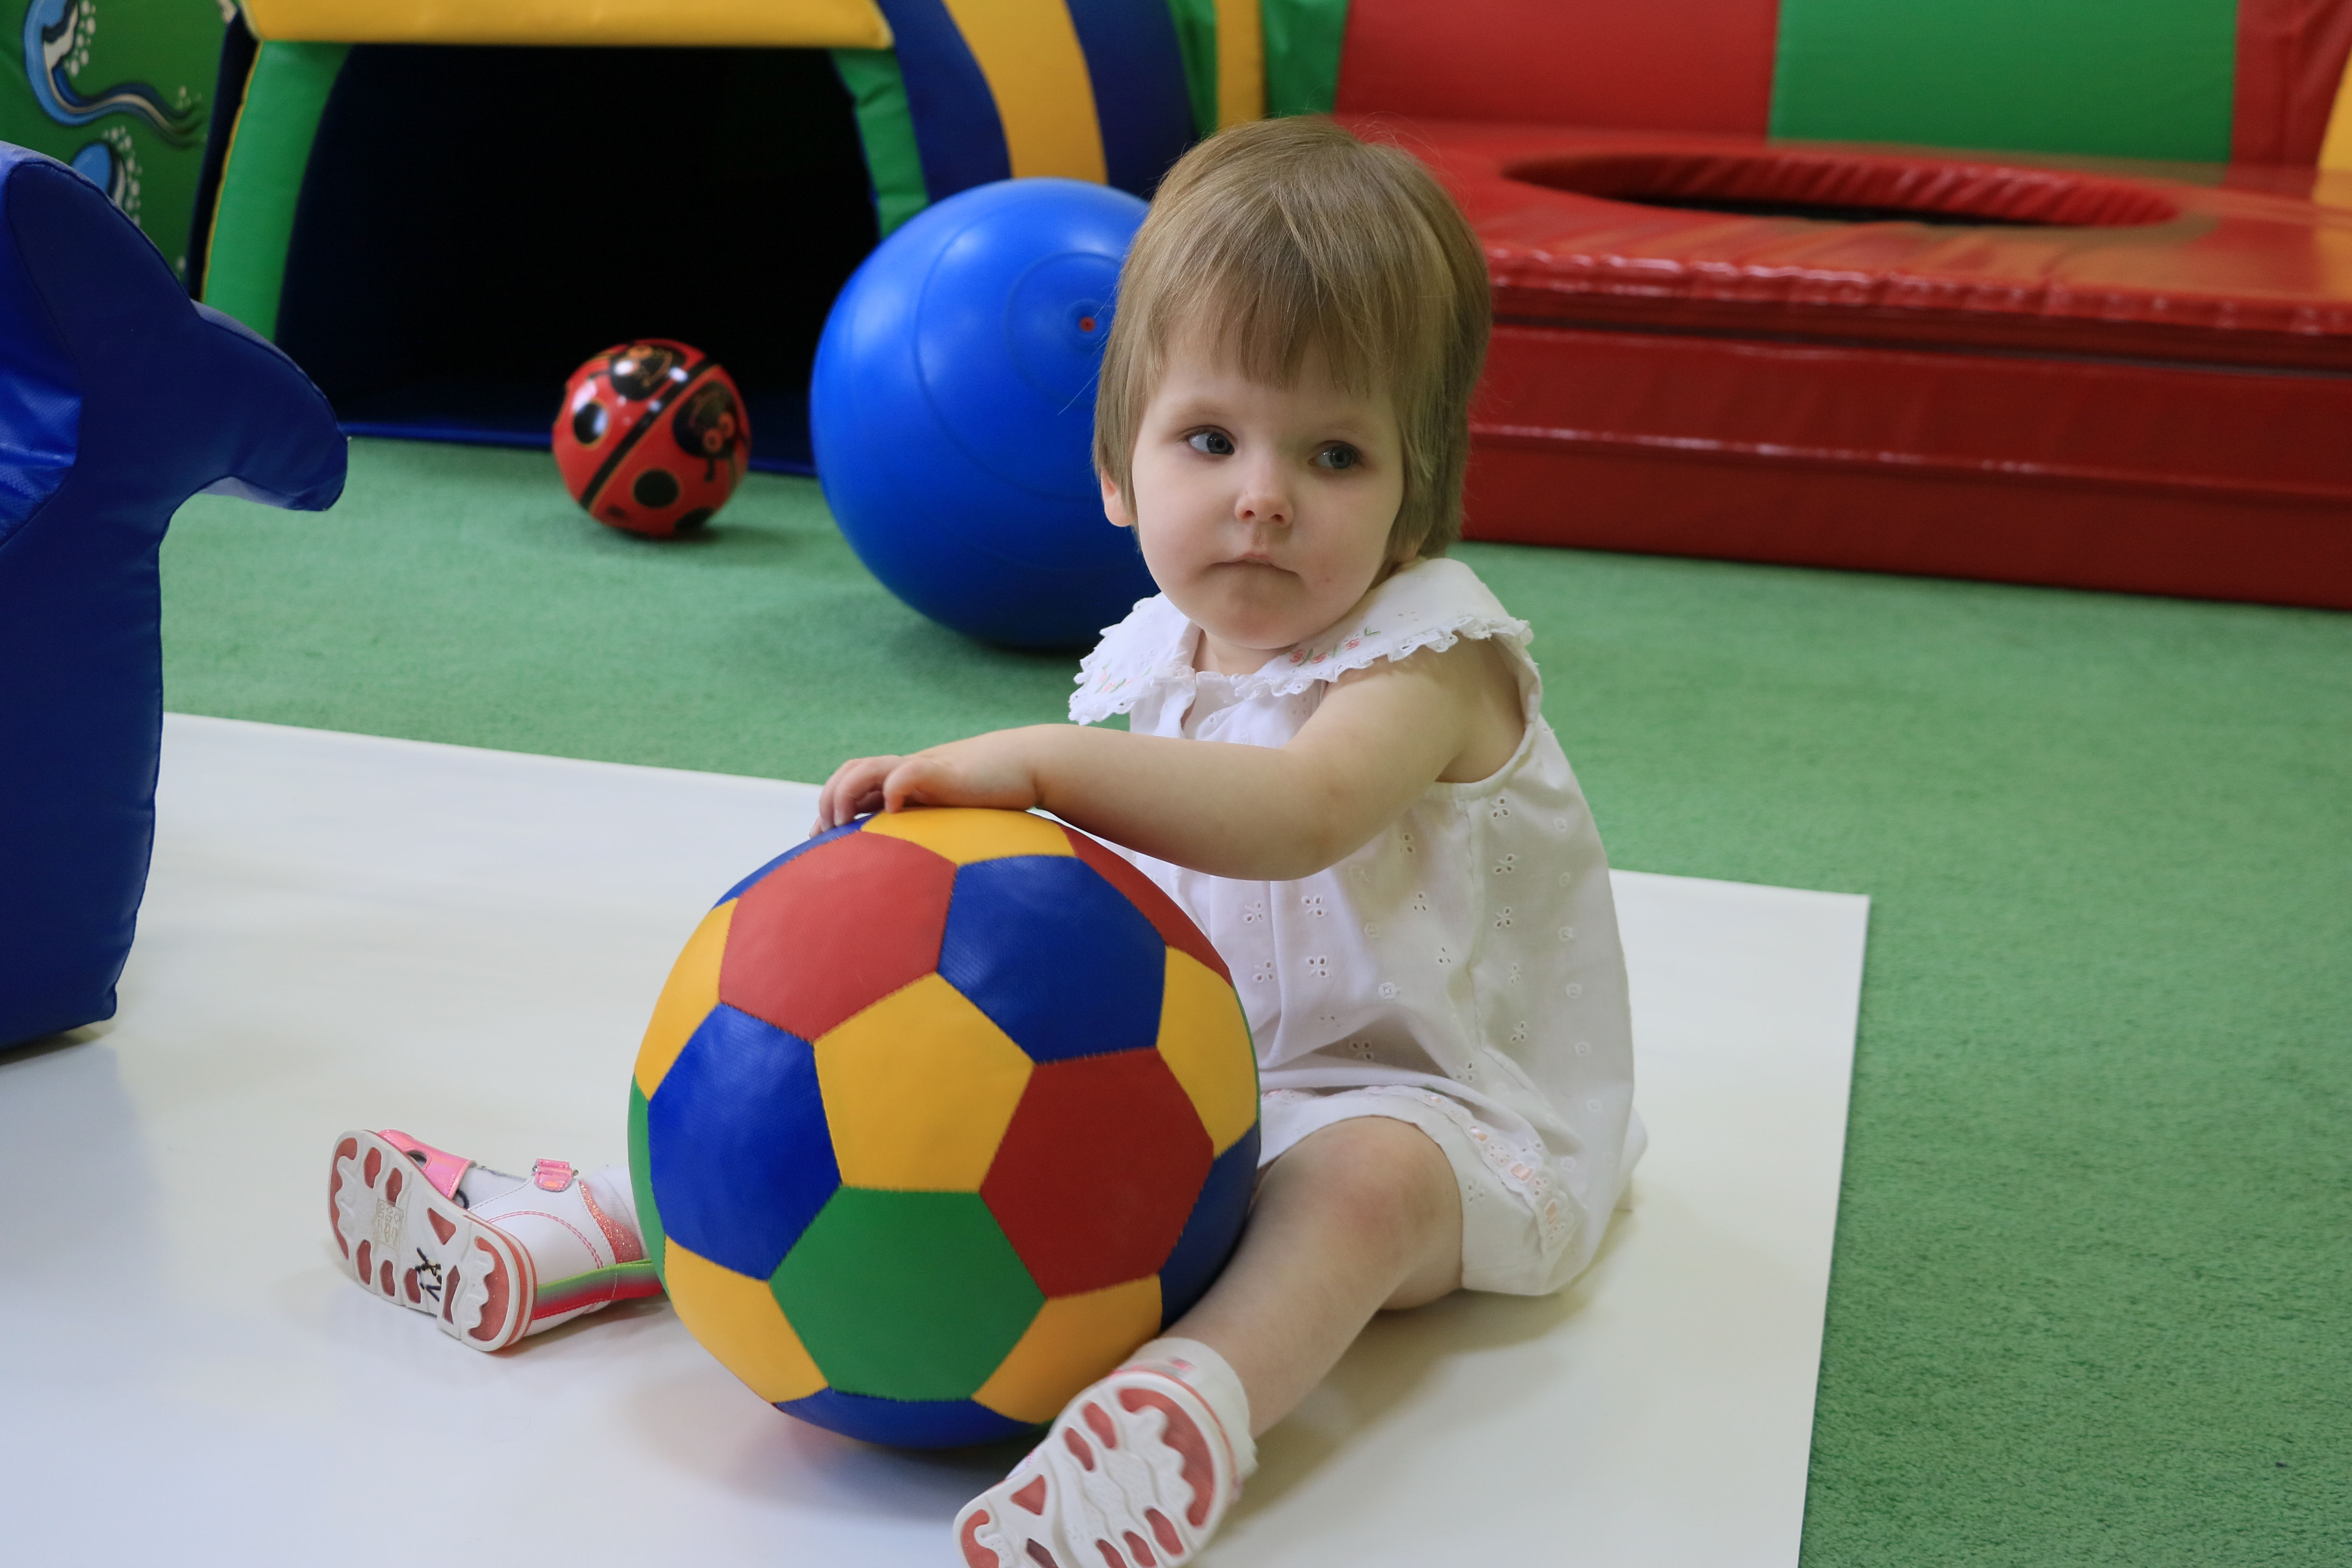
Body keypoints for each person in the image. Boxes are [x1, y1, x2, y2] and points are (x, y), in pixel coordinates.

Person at [327, 116, 1640, 1568]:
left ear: (1414, 497)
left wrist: (1035, 766)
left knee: (1355, 1190)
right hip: (1197, 1077)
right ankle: (585, 1234)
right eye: (1211, 440)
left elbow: (1300, 816)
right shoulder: (1157, 651)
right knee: (855, 1080)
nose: (1264, 494)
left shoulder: (1429, 655)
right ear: (1118, 469)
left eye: (1335, 454)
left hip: (1433, 1100)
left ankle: (1184, 1415)